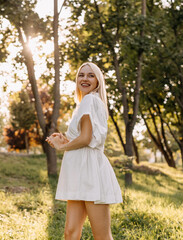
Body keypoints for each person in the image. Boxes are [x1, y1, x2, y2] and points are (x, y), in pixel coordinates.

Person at [46, 62, 122, 240]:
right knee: (70, 233)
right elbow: (85, 138)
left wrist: (62, 146)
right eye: (81, 75)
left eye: (90, 75)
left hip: (90, 172)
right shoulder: (85, 103)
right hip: (79, 170)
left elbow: (87, 139)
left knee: (102, 236)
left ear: (98, 81)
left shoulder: (90, 99)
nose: (85, 79)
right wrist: (66, 140)